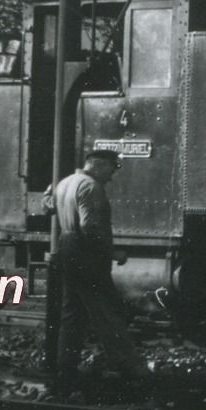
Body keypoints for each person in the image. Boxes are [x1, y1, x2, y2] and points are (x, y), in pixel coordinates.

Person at [52, 148, 151, 393]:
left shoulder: (66, 183)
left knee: (72, 314)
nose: (112, 175)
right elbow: (91, 228)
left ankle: (65, 369)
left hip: (67, 247)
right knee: (107, 311)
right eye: (113, 169)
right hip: (87, 255)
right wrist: (113, 253)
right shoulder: (91, 187)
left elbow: (49, 207)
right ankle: (131, 368)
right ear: (100, 165)